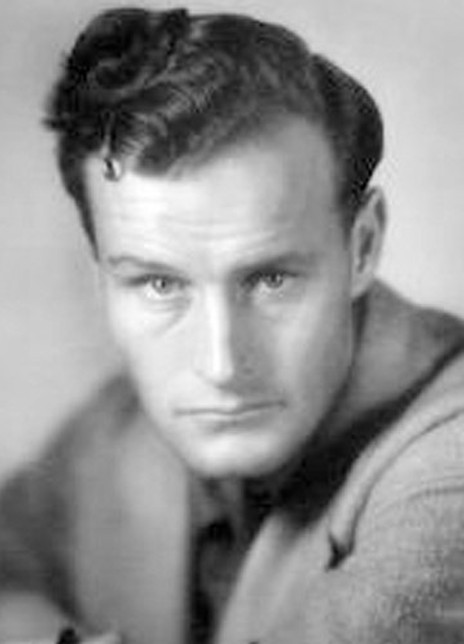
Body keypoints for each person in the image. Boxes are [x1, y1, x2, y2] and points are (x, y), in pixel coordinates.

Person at [1, 6, 464, 644]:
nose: (220, 365)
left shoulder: (449, 475)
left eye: (271, 279)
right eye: (159, 284)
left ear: (362, 247)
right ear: (102, 276)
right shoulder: (112, 432)